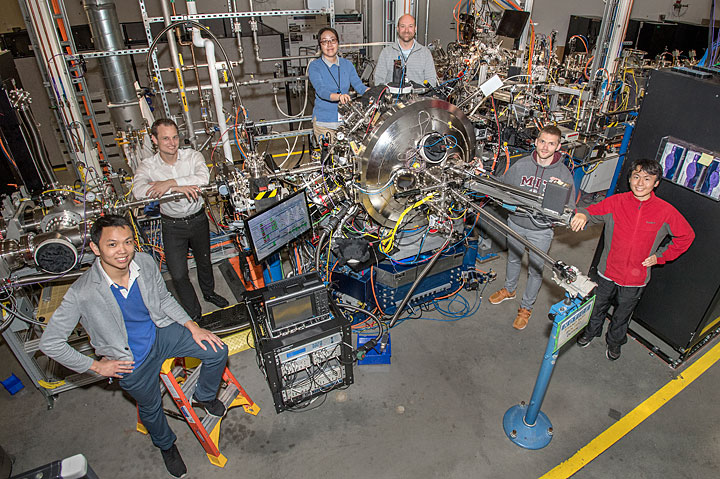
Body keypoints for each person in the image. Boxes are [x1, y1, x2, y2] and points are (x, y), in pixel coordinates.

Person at [39, 215, 228, 478]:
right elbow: (50, 343)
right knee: (151, 409)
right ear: (96, 249)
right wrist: (96, 366)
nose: (123, 251)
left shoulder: (145, 263)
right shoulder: (82, 293)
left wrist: (191, 326)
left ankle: (204, 396)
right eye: (112, 244)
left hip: (159, 333)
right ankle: (166, 445)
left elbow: (162, 299)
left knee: (217, 350)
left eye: (128, 242)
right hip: (130, 361)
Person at [571, 158, 694, 360]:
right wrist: (582, 214)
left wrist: (661, 256)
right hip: (607, 271)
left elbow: (687, 236)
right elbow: (591, 211)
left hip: (636, 279)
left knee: (622, 315)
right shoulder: (616, 202)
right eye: (636, 176)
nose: (640, 183)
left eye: (647, 179)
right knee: (597, 306)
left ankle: (615, 342)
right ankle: (591, 332)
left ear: (656, 183)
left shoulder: (665, 211)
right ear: (629, 179)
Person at [133, 119, 229, 322]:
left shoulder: (192, 156)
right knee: (178, 274)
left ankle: (209, 293)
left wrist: (167, 183)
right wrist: (177, 188)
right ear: (154, 140)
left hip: (198, 220)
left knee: (204, 261)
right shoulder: (148, 166)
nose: (172, 143)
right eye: (165, 138)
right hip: (173, 225)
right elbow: (139, 191)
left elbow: (203, 178)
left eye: (175, 137)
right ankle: (194, 313)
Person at [488, 125, 576, 330]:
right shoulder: (521, 166)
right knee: (513, 258)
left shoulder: (563, 174)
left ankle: (526, 307)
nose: (545, 147)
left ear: (558, 146)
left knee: (536, 270)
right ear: (536, 142)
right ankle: (509, 290)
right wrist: (482, 174)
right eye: (542, 141)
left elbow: (570, 206)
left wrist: (559, 197)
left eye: (551, 143)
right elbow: (503, 185)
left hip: (541, 231)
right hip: (516, 223)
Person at [308, 27, 368, 142]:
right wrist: (339, 97)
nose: (329, 44)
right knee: (329, 158)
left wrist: (373, 92)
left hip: (346, 122)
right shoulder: (315, 66)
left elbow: (359, 86)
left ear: (338, 43)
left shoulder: (347, 65)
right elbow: (321, 91)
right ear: (320, 45)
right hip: (324, 123)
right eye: (325, 41)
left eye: (332, 40)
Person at [374, 14, 438, 88]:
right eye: (402, 26)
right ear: (397, 29)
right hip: (392, 98)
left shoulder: (425, 53)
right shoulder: (386, 53)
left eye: (410, 26)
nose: (406, 30)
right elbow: (378, 81)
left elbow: (431, 81)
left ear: (415, 29)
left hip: (418, 98)